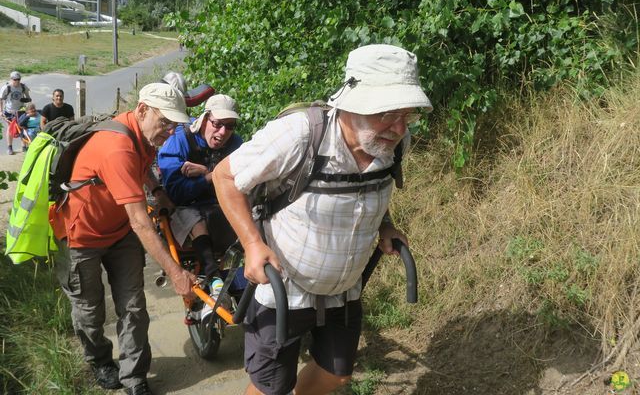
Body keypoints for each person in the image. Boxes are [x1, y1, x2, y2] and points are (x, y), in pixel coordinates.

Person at [212, 44, 433, 395]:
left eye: (408, 115)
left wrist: (385, 225)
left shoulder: (394, 145)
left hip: (343, 291)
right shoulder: (301, 135)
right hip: (282, 289)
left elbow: (373, 189)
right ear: (352, 104)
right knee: (270, 387)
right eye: (388, 114)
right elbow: (224, 178)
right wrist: (253, 245)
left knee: (337, 375)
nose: (399, 127)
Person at [53, 83, 197, 395]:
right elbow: (141, 224)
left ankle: (134, 378)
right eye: (165, 123)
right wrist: (176, 273)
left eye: (175, 125)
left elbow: (141, 166)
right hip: (82, 236)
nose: (170, 132)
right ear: (143, 110)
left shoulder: (140, 132)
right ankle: (101, 360)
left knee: (133, 307)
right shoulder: (116, 146)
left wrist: (156, 189)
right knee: (90, 312)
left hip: (119, 232)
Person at [157, 94, 242, 309]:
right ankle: (213, 276)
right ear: (205, 119)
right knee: (193, 216)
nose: (223, 132)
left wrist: (208, 173)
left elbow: (247, 181)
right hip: (186, 208)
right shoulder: (179, 140)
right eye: (217, 124)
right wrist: (210, 179)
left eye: (230, 126)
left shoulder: (236, 144)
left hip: (221, 205)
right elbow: (175, 193)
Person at [1, 70, 31, 154]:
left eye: (18, 79)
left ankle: (24, 146)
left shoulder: (23, 87)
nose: (17, 81)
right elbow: (1, 99)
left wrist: (27, 101)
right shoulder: (7, 88)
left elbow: (28, 98)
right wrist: (0, 111)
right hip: (9, 111)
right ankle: (10, 147)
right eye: (15, 79)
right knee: (10, 128)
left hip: (21, 111)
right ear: (11, 79)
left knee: (23, 127)